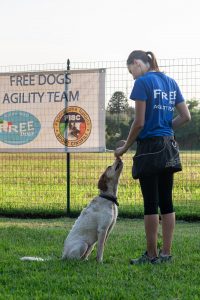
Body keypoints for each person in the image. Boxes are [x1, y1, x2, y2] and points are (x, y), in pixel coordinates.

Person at [114, 50, 191, 264]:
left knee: (151, 203)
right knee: (167, 202)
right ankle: (166, 254)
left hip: (149, 149)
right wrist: (166, 127)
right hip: (169, 147)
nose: (133, 77)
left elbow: (138, 123)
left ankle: (151, 255)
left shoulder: (143, 83)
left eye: (132, 72)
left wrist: (125, 147)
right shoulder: (170, 82)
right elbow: (186, 116)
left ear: (137, 63)